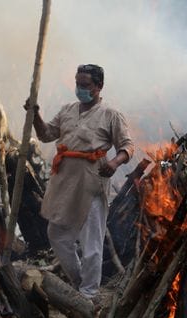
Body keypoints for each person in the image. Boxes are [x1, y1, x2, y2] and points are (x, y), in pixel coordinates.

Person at [29, 64, 134, 299]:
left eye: (85, 85)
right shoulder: (67, 111)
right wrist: (35, 115)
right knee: (56, 233)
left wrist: (115, 163)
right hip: (64, 181)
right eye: (78, 84)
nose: (80, 89)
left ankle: (88, 294)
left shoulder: (110, 115)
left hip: (91, 182)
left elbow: (128, 146)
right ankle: (78, 281)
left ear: (98, 87)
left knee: (91, 243)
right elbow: (46, 134)